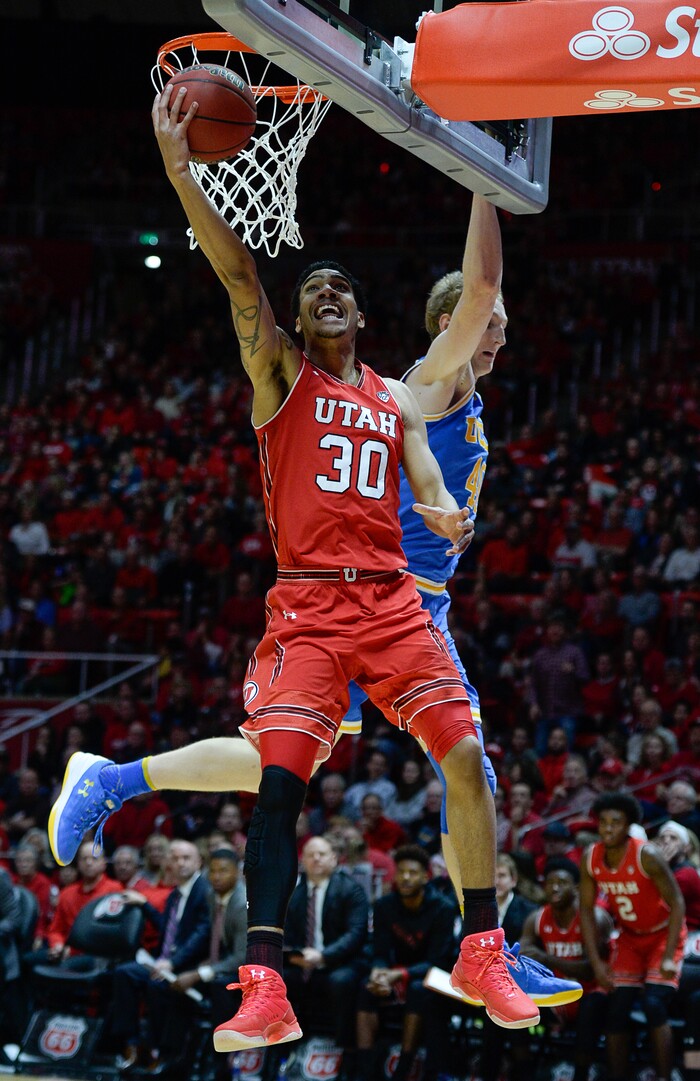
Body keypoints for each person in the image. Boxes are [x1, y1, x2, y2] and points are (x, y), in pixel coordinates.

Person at [50, 85, 540, 1049]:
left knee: (462, 757)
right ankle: (260, 977)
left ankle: (483, 946)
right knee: (284, 776)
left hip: (398, 603)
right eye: (314, 286)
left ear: (360, 313)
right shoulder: (284, 371)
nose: (326, 290)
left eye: (341, 286)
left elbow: (430, 458)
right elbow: (241, 277)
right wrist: (181, 169)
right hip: (317, 604)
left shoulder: (401, 399)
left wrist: (438, 500)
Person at [579, 793, 686, 1081]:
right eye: (603, 822)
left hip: (663, 934)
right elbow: (586, 912)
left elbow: (677, 903)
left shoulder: (647, 855)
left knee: (653, 1004)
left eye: (616, 822)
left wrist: (667, 957)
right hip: (629, 937)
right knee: (616, 1009)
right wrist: (597, 963)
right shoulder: (591, 857)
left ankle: (664, 1076)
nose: (608, 828)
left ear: (628, 826)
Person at [108, 839, 211, 1071]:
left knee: (157, 985)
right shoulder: (176, 894)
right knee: (125, 974)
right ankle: (132, 1044)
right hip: (165, 962)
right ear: (167, 864)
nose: (180, 863)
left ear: (199, 862)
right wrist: (144, 904)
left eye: (186, 858)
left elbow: (201, 935)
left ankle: (161, 1051)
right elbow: (168, 928)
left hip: (188, 967)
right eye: (174, 858)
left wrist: (172, 963)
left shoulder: (204, 890)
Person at [355, 845, 456, 1081]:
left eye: (412, 873)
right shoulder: (384, 905)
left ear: (425, 876)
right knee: (364, 987)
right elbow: (379, 950)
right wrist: (378, 973)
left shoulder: (443, 908)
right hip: (395, 972)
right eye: (401, 872)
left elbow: (438, 960)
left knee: (418, 990)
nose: (406, 878)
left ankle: (405, 1065)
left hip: (434, 974)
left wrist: (398, 975)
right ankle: (364, 1068)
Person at [282, 835, 369, 1078]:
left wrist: (323, 956)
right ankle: (290, 1048)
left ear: (334, 858)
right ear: (303, 860)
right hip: (305, 961)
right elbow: (285, 932)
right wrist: (292, 956)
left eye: (322, 854)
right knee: (280, 979)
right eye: (310, 854)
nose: (316, 859)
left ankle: (344, 1050)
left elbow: (356, 934)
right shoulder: (294, 893)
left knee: (340, 981)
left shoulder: (351, 889)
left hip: (344, 960)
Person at [520, 857, 613, 1081]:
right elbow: (522, 954)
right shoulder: (537, 918)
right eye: (550, 883)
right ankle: (522, 1072)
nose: (555, 888)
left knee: (593, 1006)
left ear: (576, 888)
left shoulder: (595, 918)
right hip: (556, 994)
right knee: (516, 1004)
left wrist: (545, 958)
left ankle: (581, 1075)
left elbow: (591, 970)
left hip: (590, 992)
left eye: (561, 883)